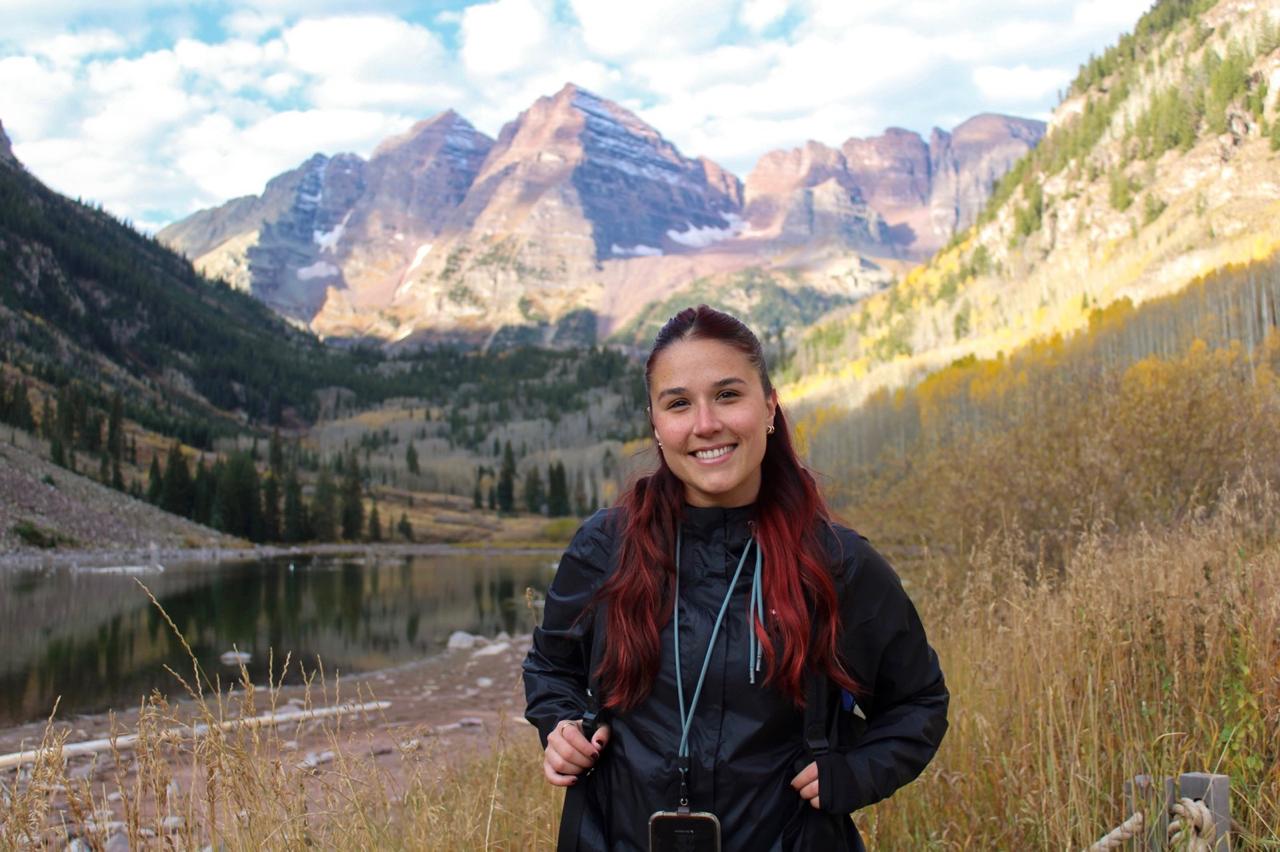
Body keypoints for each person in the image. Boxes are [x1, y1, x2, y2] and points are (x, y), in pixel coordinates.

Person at [523, 305, 948, 851]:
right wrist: (561, 726)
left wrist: (854, 774)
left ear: (769, 405)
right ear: (656, 423)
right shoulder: (606, 547)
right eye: (679, 403)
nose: (705, 424)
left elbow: (918, 702)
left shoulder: (835, 562)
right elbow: (551, 666)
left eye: (727, 395)